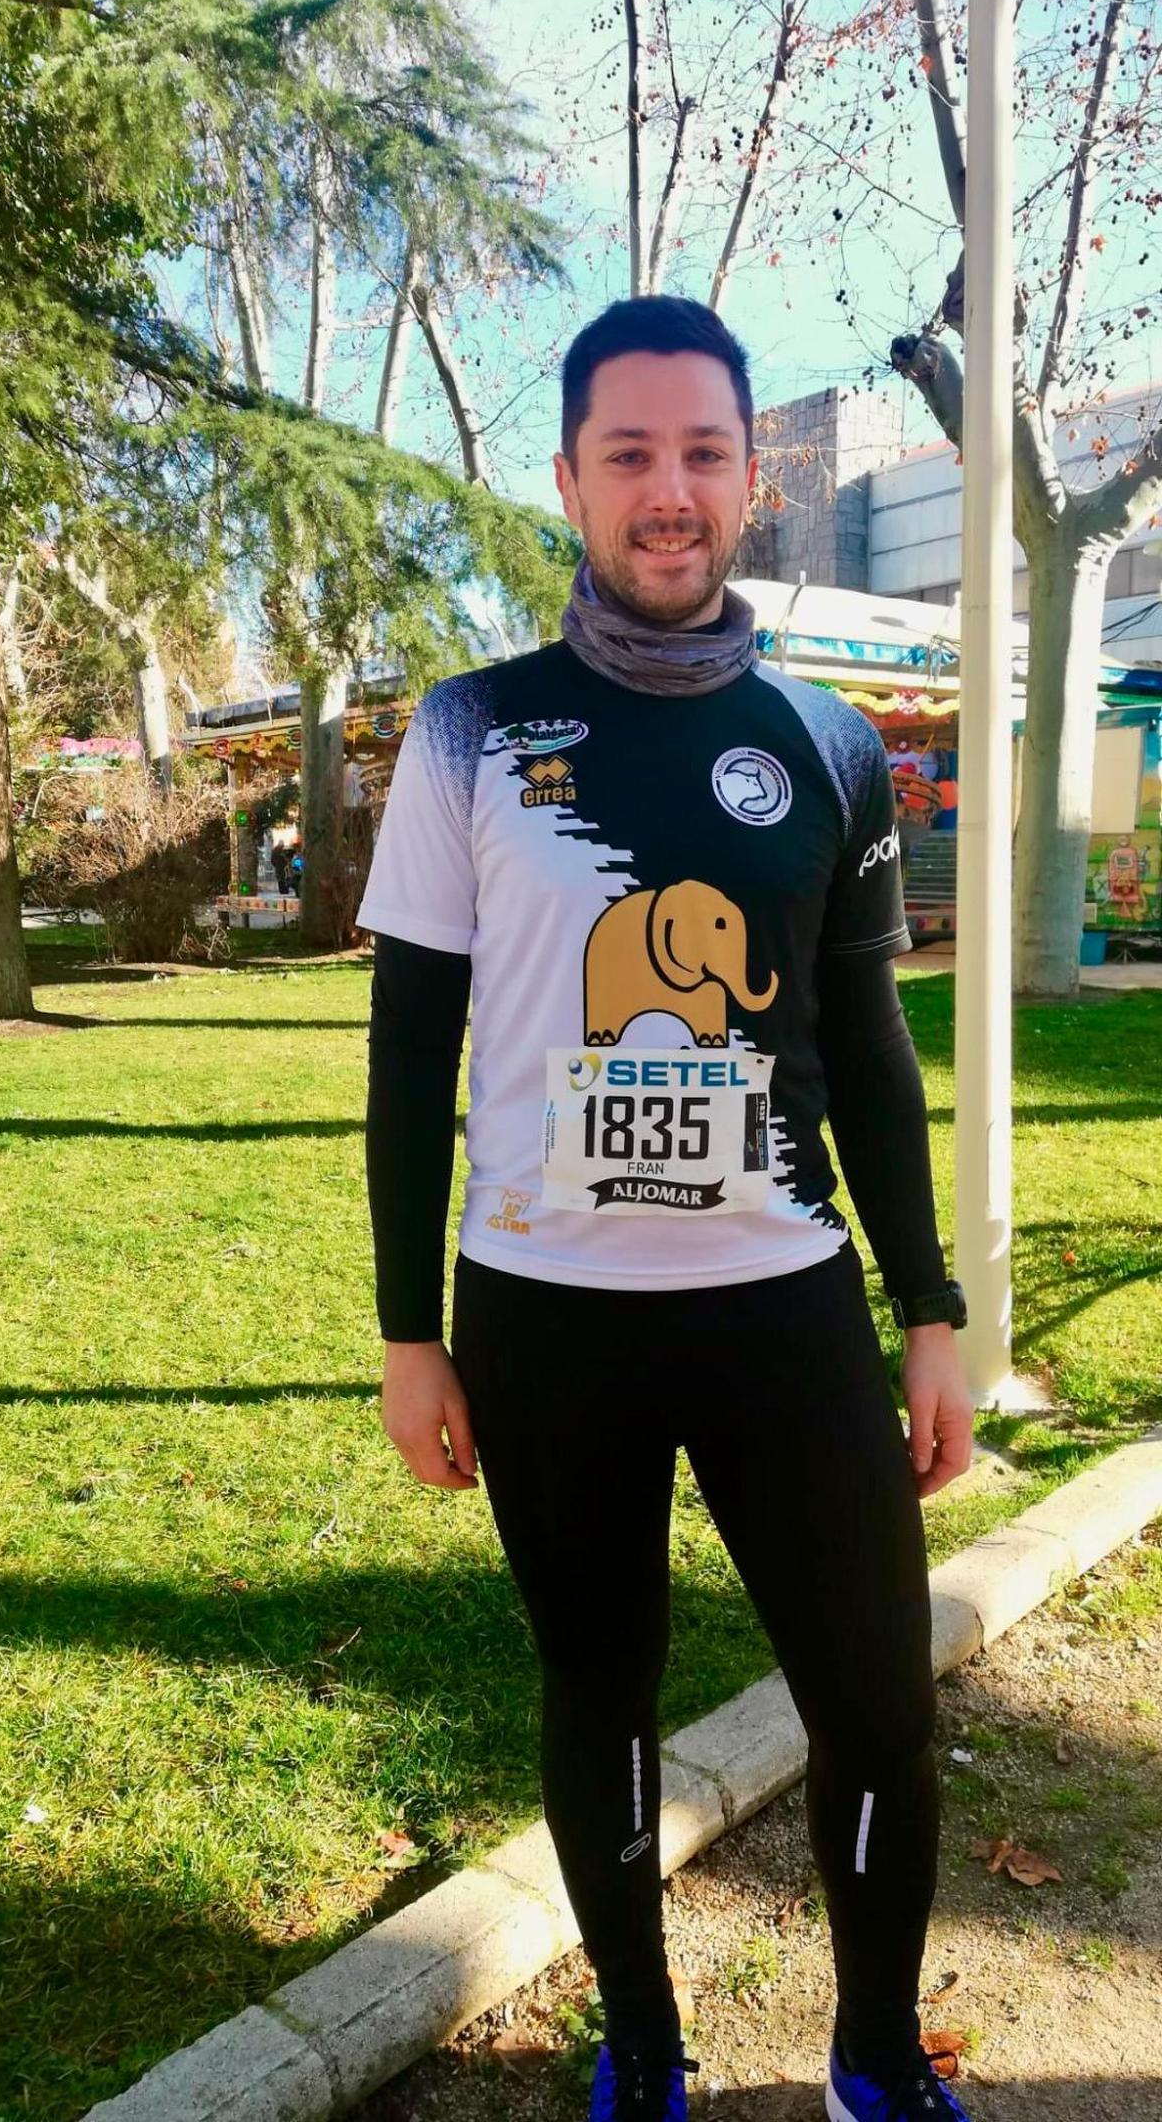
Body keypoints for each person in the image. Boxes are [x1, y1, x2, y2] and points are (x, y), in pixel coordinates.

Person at [358, 296, 975, 2122]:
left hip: (785, 1305)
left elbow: (863, 1049)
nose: (670, 488)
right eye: (628, 452)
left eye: (703, 450)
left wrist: (928, 1307)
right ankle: (645, 2046)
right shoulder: (470, 731)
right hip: (545, 1318)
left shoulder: (836, 745)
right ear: (569, 478)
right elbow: (411, 1060)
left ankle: (872, 2056)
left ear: (751, 475)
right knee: (600, 1699)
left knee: (877, 1706)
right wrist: (409, 1331)